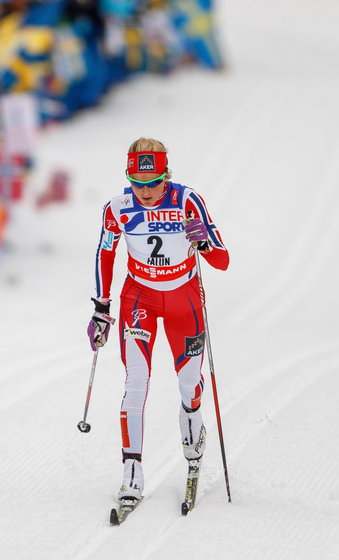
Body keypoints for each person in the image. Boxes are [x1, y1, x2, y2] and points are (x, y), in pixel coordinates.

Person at [88, 137, 229, 503]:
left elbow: (223, 260)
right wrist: (101, 309)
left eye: (154, 183)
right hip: (140, 298)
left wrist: (204, 241)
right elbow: (104, 254)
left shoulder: (186, 200)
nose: (146, 191)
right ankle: (131, 471)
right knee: (136, 381)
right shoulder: (116, 208)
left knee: (188, 384)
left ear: (167, 175)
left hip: (184, 298)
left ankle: (193, 444)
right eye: (138, 182)